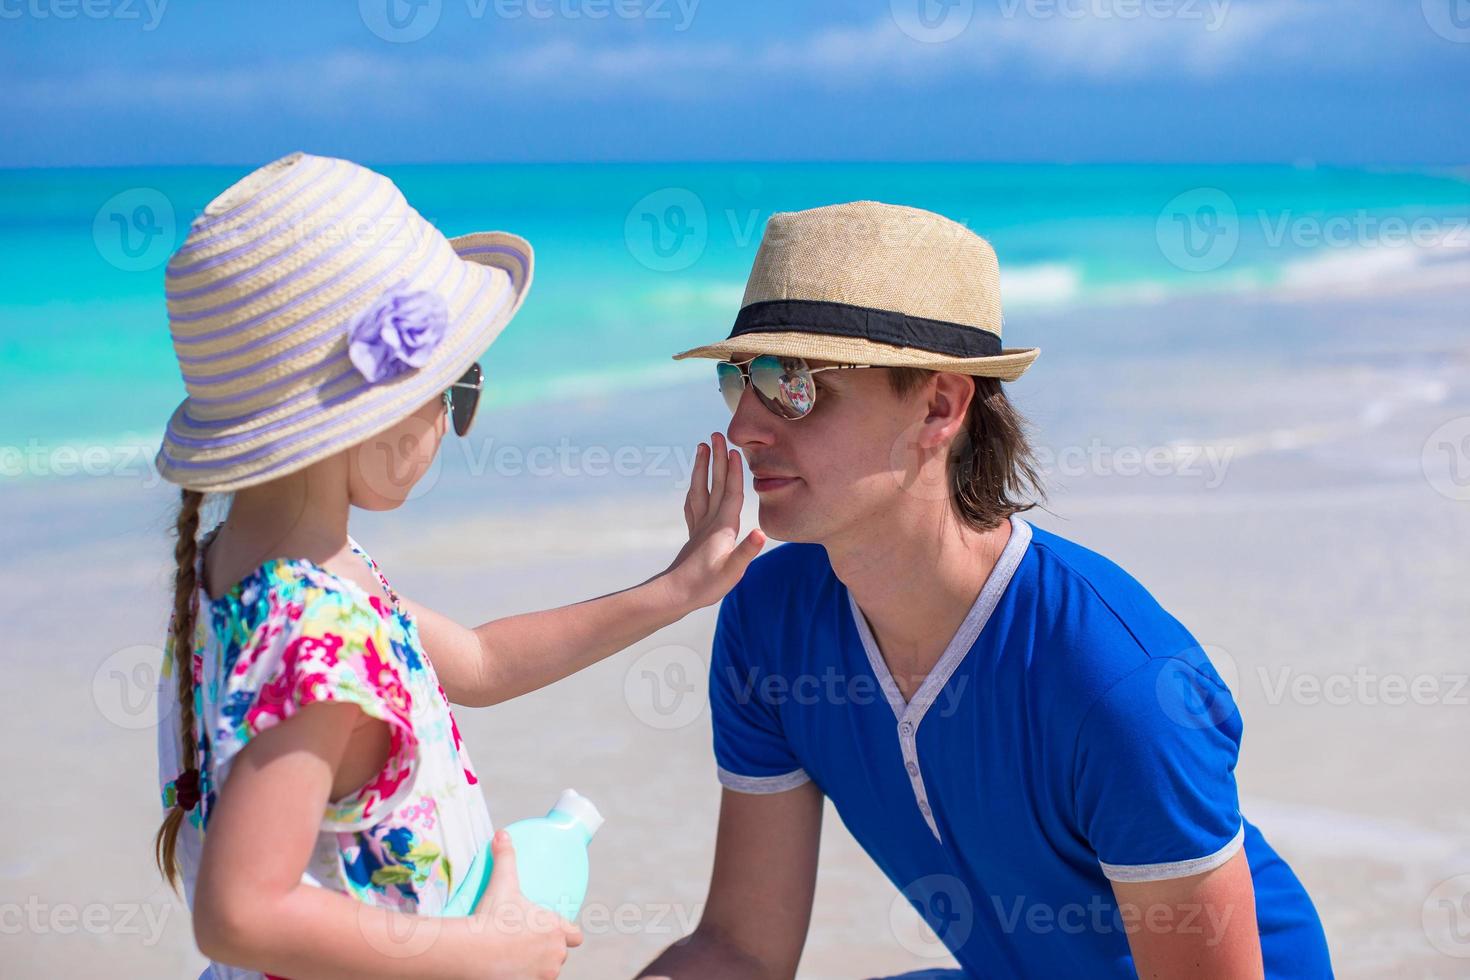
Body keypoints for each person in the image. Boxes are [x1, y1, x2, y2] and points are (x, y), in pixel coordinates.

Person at [639, 202, 1333, 978]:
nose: (746, 429)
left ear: (940, 404)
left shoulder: (1116, 684)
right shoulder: (769, 621)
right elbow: (740, 949)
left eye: (793, 382)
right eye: (741, 378)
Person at [150, 152, 763, 980]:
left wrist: (675, 591)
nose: (453, 418)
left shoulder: (252, 575)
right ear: (378, 412)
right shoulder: (314, 634)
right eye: (456, 389)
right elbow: (240, 913)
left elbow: (477, 661)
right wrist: (486, 954)